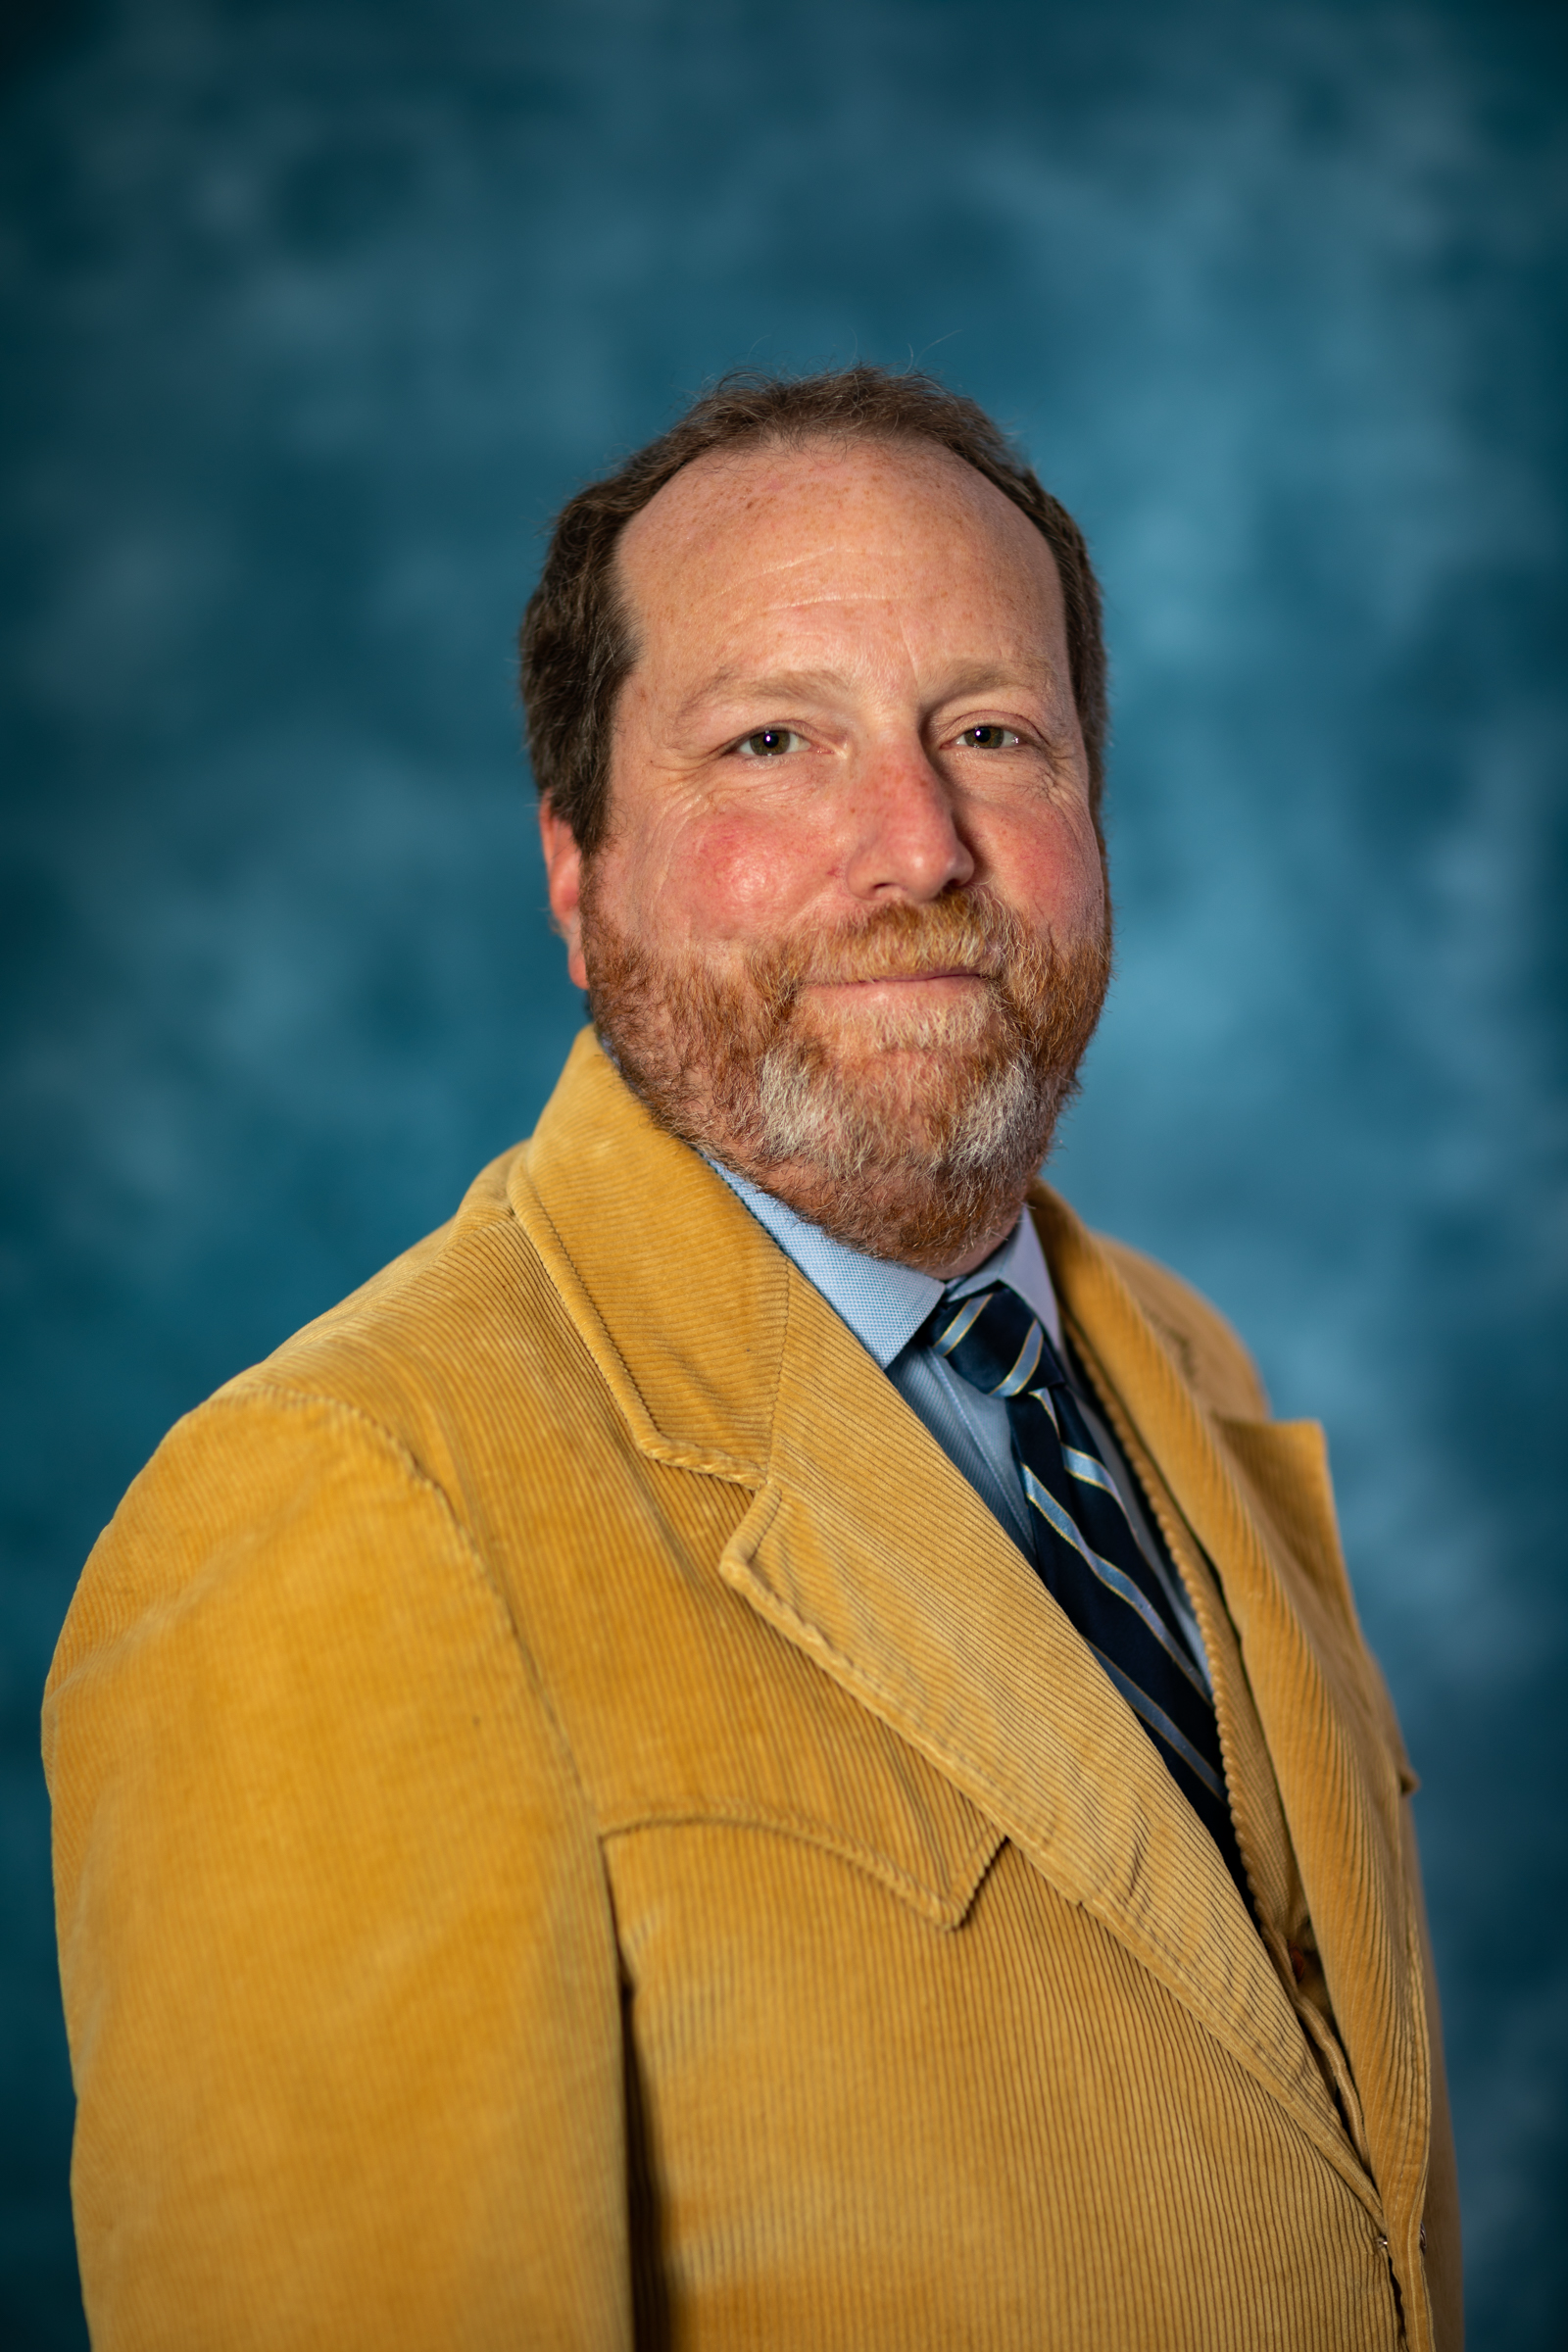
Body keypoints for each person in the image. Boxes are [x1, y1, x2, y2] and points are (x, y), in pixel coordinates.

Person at [44, 366, 1460, 2350]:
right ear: (575, 869)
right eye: (772, 740)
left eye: (990, 732)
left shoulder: (1176, 1361)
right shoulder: (340, 1510)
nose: (915, 846)